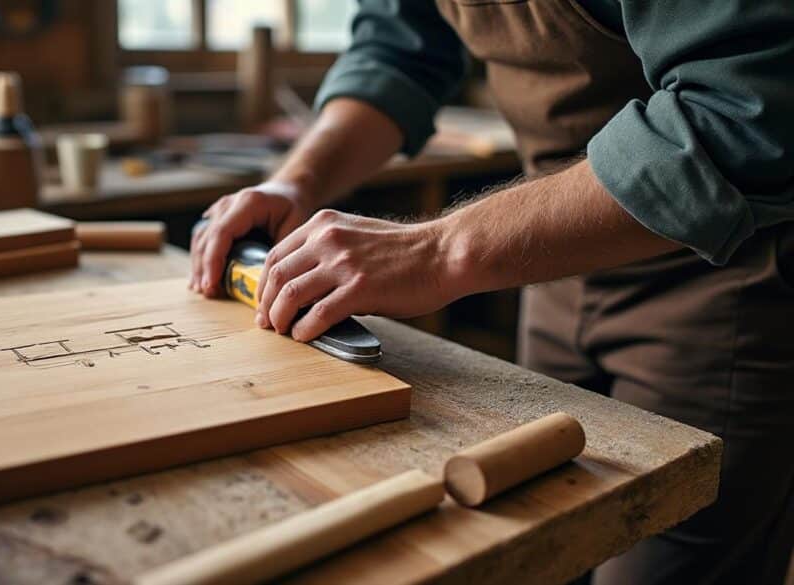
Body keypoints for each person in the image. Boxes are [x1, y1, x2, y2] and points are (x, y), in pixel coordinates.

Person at [190, 2, 794, 583]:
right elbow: (397, 51)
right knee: (536, 543)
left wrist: (437, 252)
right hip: (547, 263)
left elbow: (742, 112)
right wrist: (296, 183)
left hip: (721, 278)